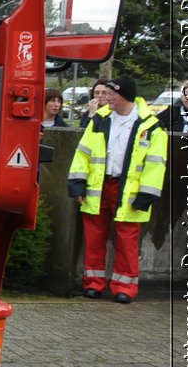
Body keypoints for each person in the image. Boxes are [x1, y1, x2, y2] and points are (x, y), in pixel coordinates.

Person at [67, 74, 167, 303]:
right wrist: (77, 184)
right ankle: (93, 284)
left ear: (124, 96)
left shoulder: (151, 126)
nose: (106, 97)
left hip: (129, 189)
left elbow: (156, 164)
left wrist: (147, 194)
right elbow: (83, 153)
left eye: (111, 94)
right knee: (93, 236)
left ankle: (125, 288)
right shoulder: (100, 119)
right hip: (99, 185)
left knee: (127, 240)